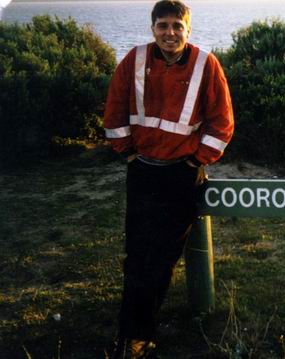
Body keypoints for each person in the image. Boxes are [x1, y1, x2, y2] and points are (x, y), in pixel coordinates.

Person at [103, 1, 234, 357]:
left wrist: (195, 162)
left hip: (182, 175)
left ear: (188, 30)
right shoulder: (135, 59)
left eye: (177, 26)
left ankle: (136, 335)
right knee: (137, 256)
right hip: (142, 171)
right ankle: (132, 334)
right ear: (153, 29)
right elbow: (114, 109)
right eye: (163, 25)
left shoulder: (207, 64)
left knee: (161, 258)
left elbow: (222, 123)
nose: (170, 33)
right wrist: (127, 152)